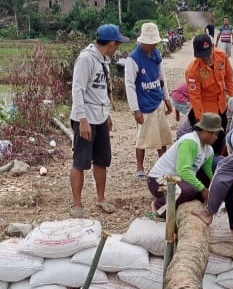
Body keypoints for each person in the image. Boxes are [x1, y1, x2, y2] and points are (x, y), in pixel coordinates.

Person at [69, 24, 129, 217]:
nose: (118, 47)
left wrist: (107, 114)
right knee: (80, 161)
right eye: (118, 43)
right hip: (85, 117)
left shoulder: (104, 60)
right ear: (112, 43)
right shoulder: (86, 59)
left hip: (100, 116)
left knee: (101, 160)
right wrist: (82, 120)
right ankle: (77, 204)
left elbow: (102, 90)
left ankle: (100, 198)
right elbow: (77, 90)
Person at [146, 113, 223, 218]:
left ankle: (179, 203)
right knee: (187, 190)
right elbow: (183, 171)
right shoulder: (190, 141)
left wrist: (215, 188)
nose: (216, 138)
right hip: (159, 179)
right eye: (216, 134)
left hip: (179, 179)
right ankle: (158, 208)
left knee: (198, 188)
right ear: (207, 132)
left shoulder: (209, 150)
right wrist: (203, 190)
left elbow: (209, 172)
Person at [125, 22, 173, 179]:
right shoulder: (133, 59)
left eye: (154, 43)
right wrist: (135, 109)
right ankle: (140, 168)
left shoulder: (157, 54)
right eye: (149, 43)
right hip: (143, 103)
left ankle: (163, 164)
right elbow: (130, 86)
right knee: (143, 138)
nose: (152, 46)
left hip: (157, 98)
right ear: (142, 42)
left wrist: (166, 98)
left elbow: (162, 77)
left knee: (163, 136)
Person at [186, 34, 233, 155]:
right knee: (203, 148)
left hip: (221, 108)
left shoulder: (222, 56)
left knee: (219, 142)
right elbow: (195, 97)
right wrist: (202, 121)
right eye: (201, 56)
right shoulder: (193, 70)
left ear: (213, 47)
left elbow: (229, 76)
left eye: (207, 54)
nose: (205, 59)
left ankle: (216, 168)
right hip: (204, 112)